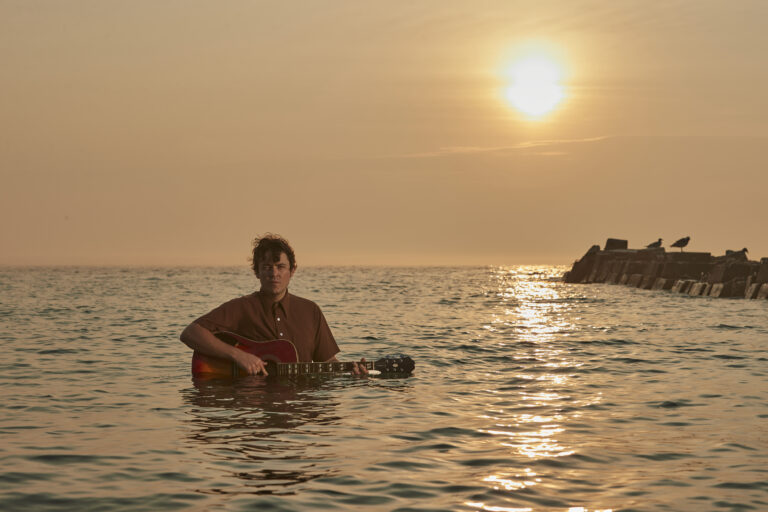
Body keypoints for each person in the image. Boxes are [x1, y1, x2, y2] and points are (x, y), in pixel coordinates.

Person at [180, 234, 366, 376]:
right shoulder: (241, 307)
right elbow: (190, 333)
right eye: (267, 267)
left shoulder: (311, 311)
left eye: (280, 267)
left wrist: (351, 372)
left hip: (300, 407)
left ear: (292, 270)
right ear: (257, 272)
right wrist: (239, 356)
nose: (274, 273)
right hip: (254, 407)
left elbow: (328, 362)